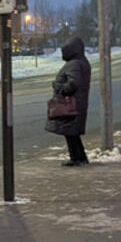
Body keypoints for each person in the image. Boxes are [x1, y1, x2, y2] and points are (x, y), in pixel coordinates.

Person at [45, 36, 92, 166]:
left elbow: (73, 83)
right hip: (77, 103)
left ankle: (76, 158)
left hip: (70, 103)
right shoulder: (81, 62)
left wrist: (59, 88)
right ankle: (80, 157)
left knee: (70, 132)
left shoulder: (74, 64)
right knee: (72, 133)